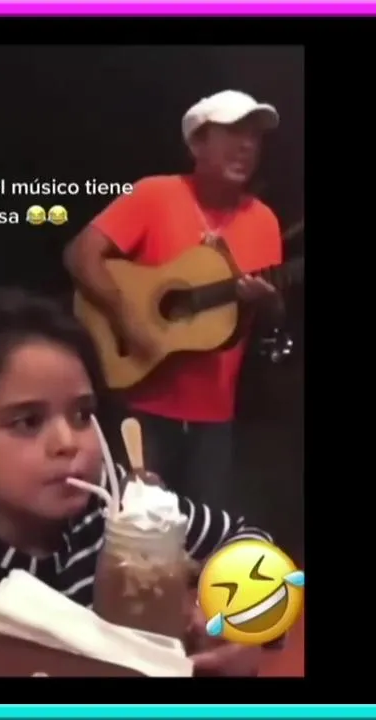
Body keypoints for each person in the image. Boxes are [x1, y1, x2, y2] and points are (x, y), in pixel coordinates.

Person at [0, 288, 279, 677]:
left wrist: (237, 619)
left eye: (82, 415)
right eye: (28, 421)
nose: (68, 442)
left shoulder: (121, 507)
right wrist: (1, 658)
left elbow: (254, 546)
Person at [63, 90, 285, 507]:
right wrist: (128, 317)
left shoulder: (265, 221)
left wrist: (269, 305)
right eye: (232, 132)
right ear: (197, 143)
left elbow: (266, 323)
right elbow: (80, 254)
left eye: (255, 136)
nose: (247, 145)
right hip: (141, 406)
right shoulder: (155, 195)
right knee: (132, 527)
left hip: (215, 418)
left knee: (203, 535)